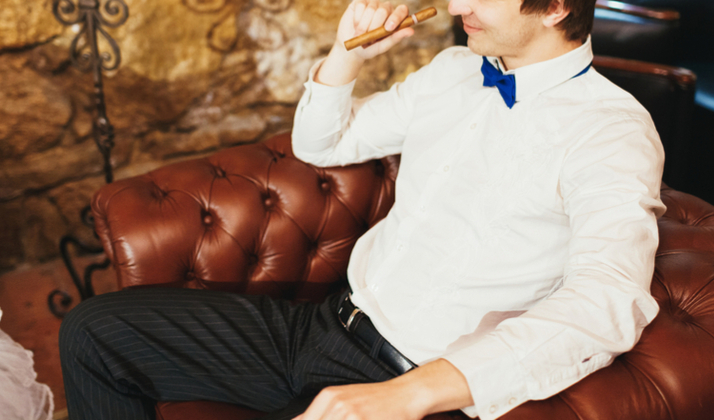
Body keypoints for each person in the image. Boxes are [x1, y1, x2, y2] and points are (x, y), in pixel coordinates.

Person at [59, 0, 666, 419]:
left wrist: (409, 395)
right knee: (93, 333)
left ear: (555, 7)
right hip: (323, 325)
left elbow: (607, 298)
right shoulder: (454, 71)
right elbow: (320, 145)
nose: (456, 6)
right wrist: (347, 52)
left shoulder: (612, 131)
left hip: (414, 379)